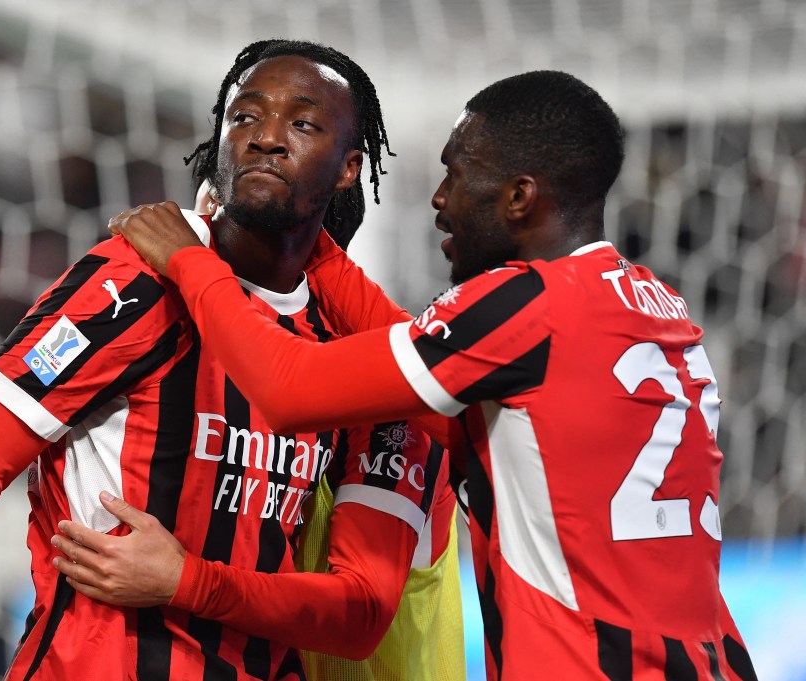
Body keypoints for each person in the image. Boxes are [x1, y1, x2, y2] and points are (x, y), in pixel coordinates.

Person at [109, 70, 760, 680]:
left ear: (519, 197)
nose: (440, 200)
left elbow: (288, 388)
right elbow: (410, 357)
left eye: (457, 173)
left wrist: (193, 263)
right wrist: (297, 232)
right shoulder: (655, 306)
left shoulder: (524, 304)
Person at [0, 39, 462, 681]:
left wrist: (187, 580)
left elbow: (360, 612)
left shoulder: (359, 353)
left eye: (302, 123)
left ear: (348, 167)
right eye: (244, 117)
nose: (266, 138)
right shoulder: (129, 283)